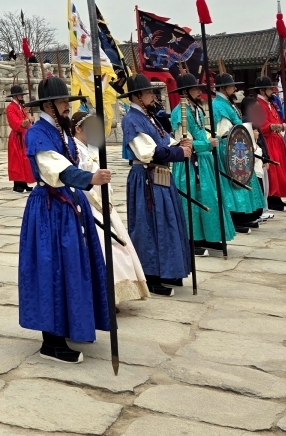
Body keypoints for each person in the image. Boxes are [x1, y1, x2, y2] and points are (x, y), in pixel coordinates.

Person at [18, 77, 111, 363]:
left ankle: (72, 324)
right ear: (49, 106)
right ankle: (52, 341)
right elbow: (56, 169)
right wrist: (89, 178)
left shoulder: (60, 130)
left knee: (72, 265)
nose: (66, 107)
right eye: (61, 103)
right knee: (52, 269)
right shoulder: (38, 133)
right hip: (50, 210)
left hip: (68, 205)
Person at [120, 74, 192, 297]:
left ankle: (169, 270)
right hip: (146, 177)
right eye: (149, 92)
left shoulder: (149, 117)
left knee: (167, 221)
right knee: (149, 225)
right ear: (137, 96)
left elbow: (165, 142)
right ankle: (151, 274)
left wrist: (180, 144)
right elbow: (148, 152)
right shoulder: (131, 119)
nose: (153, 96)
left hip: (160, 176)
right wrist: (179, 153)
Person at [71, 110, 149, 305]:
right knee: (101, 248)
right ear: (78, 129)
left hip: (104, 203)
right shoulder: (74, 150)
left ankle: (117, 293)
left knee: (118, 247)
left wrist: (108, 198)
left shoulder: (92, 148)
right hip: (89, 205)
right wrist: (98, 201)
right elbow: (79, 180)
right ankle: (103, 296)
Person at [169, 73, 236, 252]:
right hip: (189, 164)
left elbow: (199, 133)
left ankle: (209, 236)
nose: (200, 92)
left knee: (209, 198)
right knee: (192, 200)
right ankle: (192, 239)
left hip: (204, 161)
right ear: (185, 92)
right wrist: (206, 143)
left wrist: (209, 140)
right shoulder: (180, 113)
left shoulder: (196, 109)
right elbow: (182, 142)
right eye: (195, 89)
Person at [211, 72, 267, 230]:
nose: (234, 88)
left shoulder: (226, 103)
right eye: (231, 86)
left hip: (236, 144)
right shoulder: (218, 105)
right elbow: (223, 129)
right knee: (233, 182)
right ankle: (235, 218)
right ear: (223, 88)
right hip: (228, 146)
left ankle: (244, 215)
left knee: (242, 180)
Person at [250, 76, 286, 211]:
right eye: (269, 89)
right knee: (273, 171)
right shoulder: (258, 104)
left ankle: (277, 197)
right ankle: (272, 198)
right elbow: (263, 125)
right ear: (262, 90)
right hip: (268, 140)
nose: (272, 91)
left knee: (280, 171)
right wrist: (280, 126)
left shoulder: (268, 103)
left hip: (276, 140)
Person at [6, 84, 33, 192]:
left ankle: (24, 182)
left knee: (24, 159)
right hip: (16, 137)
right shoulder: (10, 108)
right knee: (17, 161)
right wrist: (27, 121)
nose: (22, 96)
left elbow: (26, 121)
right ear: (15, 96)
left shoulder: (21, 107)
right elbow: (15, 123)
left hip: (24, 136)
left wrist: (29, 122)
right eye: (20, 95)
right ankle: (17, 184)